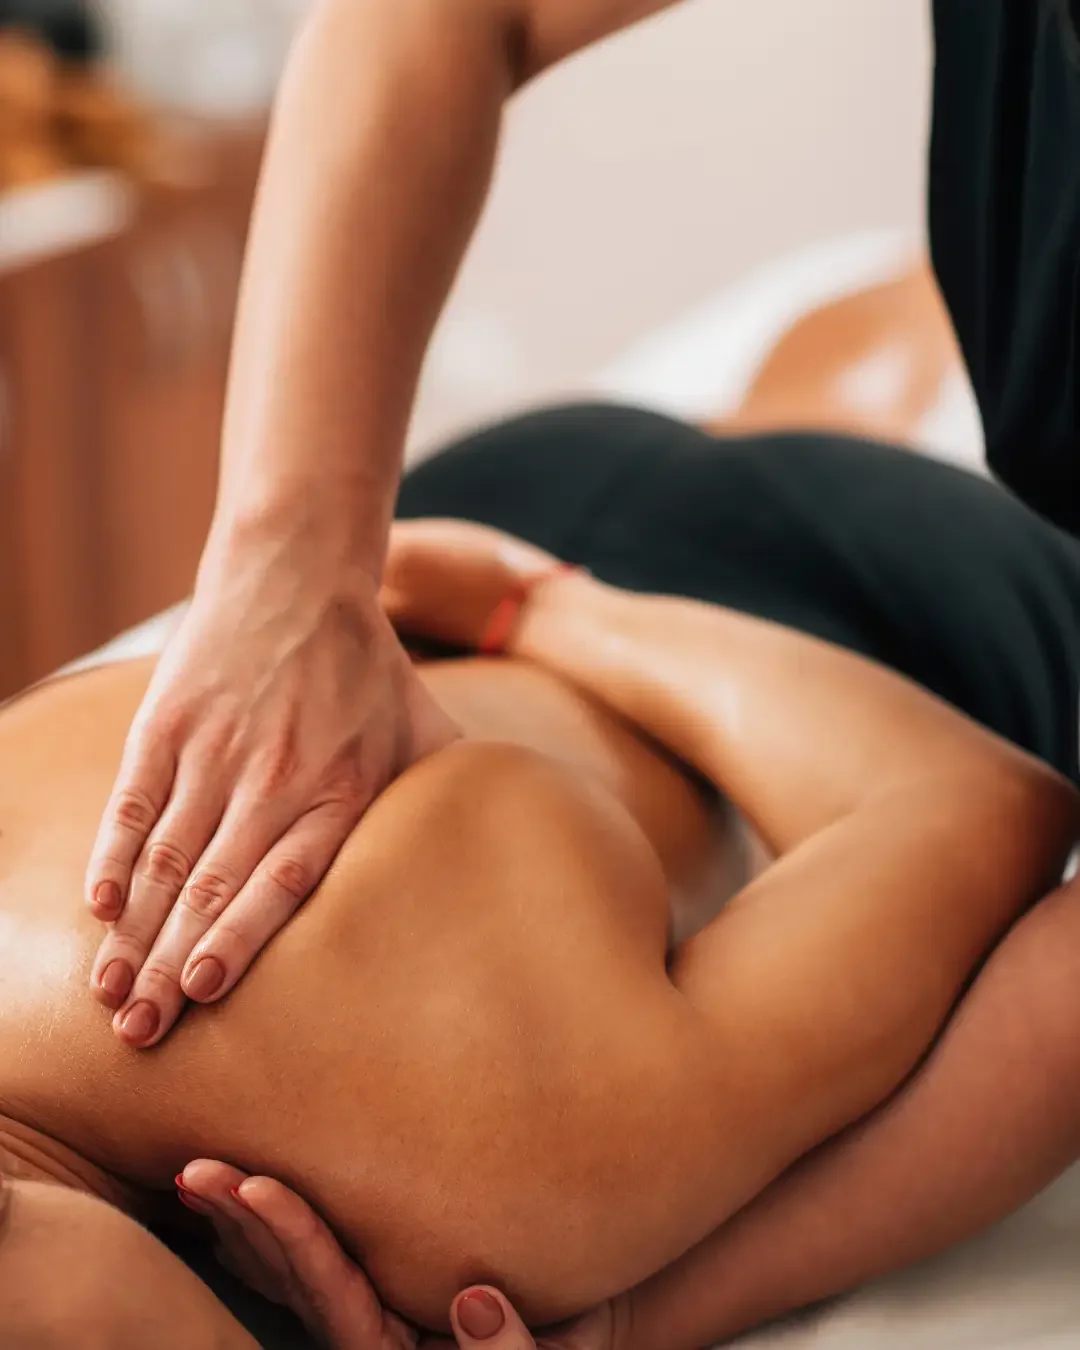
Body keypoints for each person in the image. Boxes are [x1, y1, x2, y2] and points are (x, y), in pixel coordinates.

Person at [82, 0, 1080, 1055]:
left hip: (793, 592)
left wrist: (538, 610)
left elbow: (998, 841)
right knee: (852, 371)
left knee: (868, 385)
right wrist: (286, 564)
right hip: (541, 529)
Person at [4, 405, 1080, 1350]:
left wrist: (543, 609)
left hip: (832, 613)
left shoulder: (482, 1182)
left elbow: (986, 807)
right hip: (449, 520)